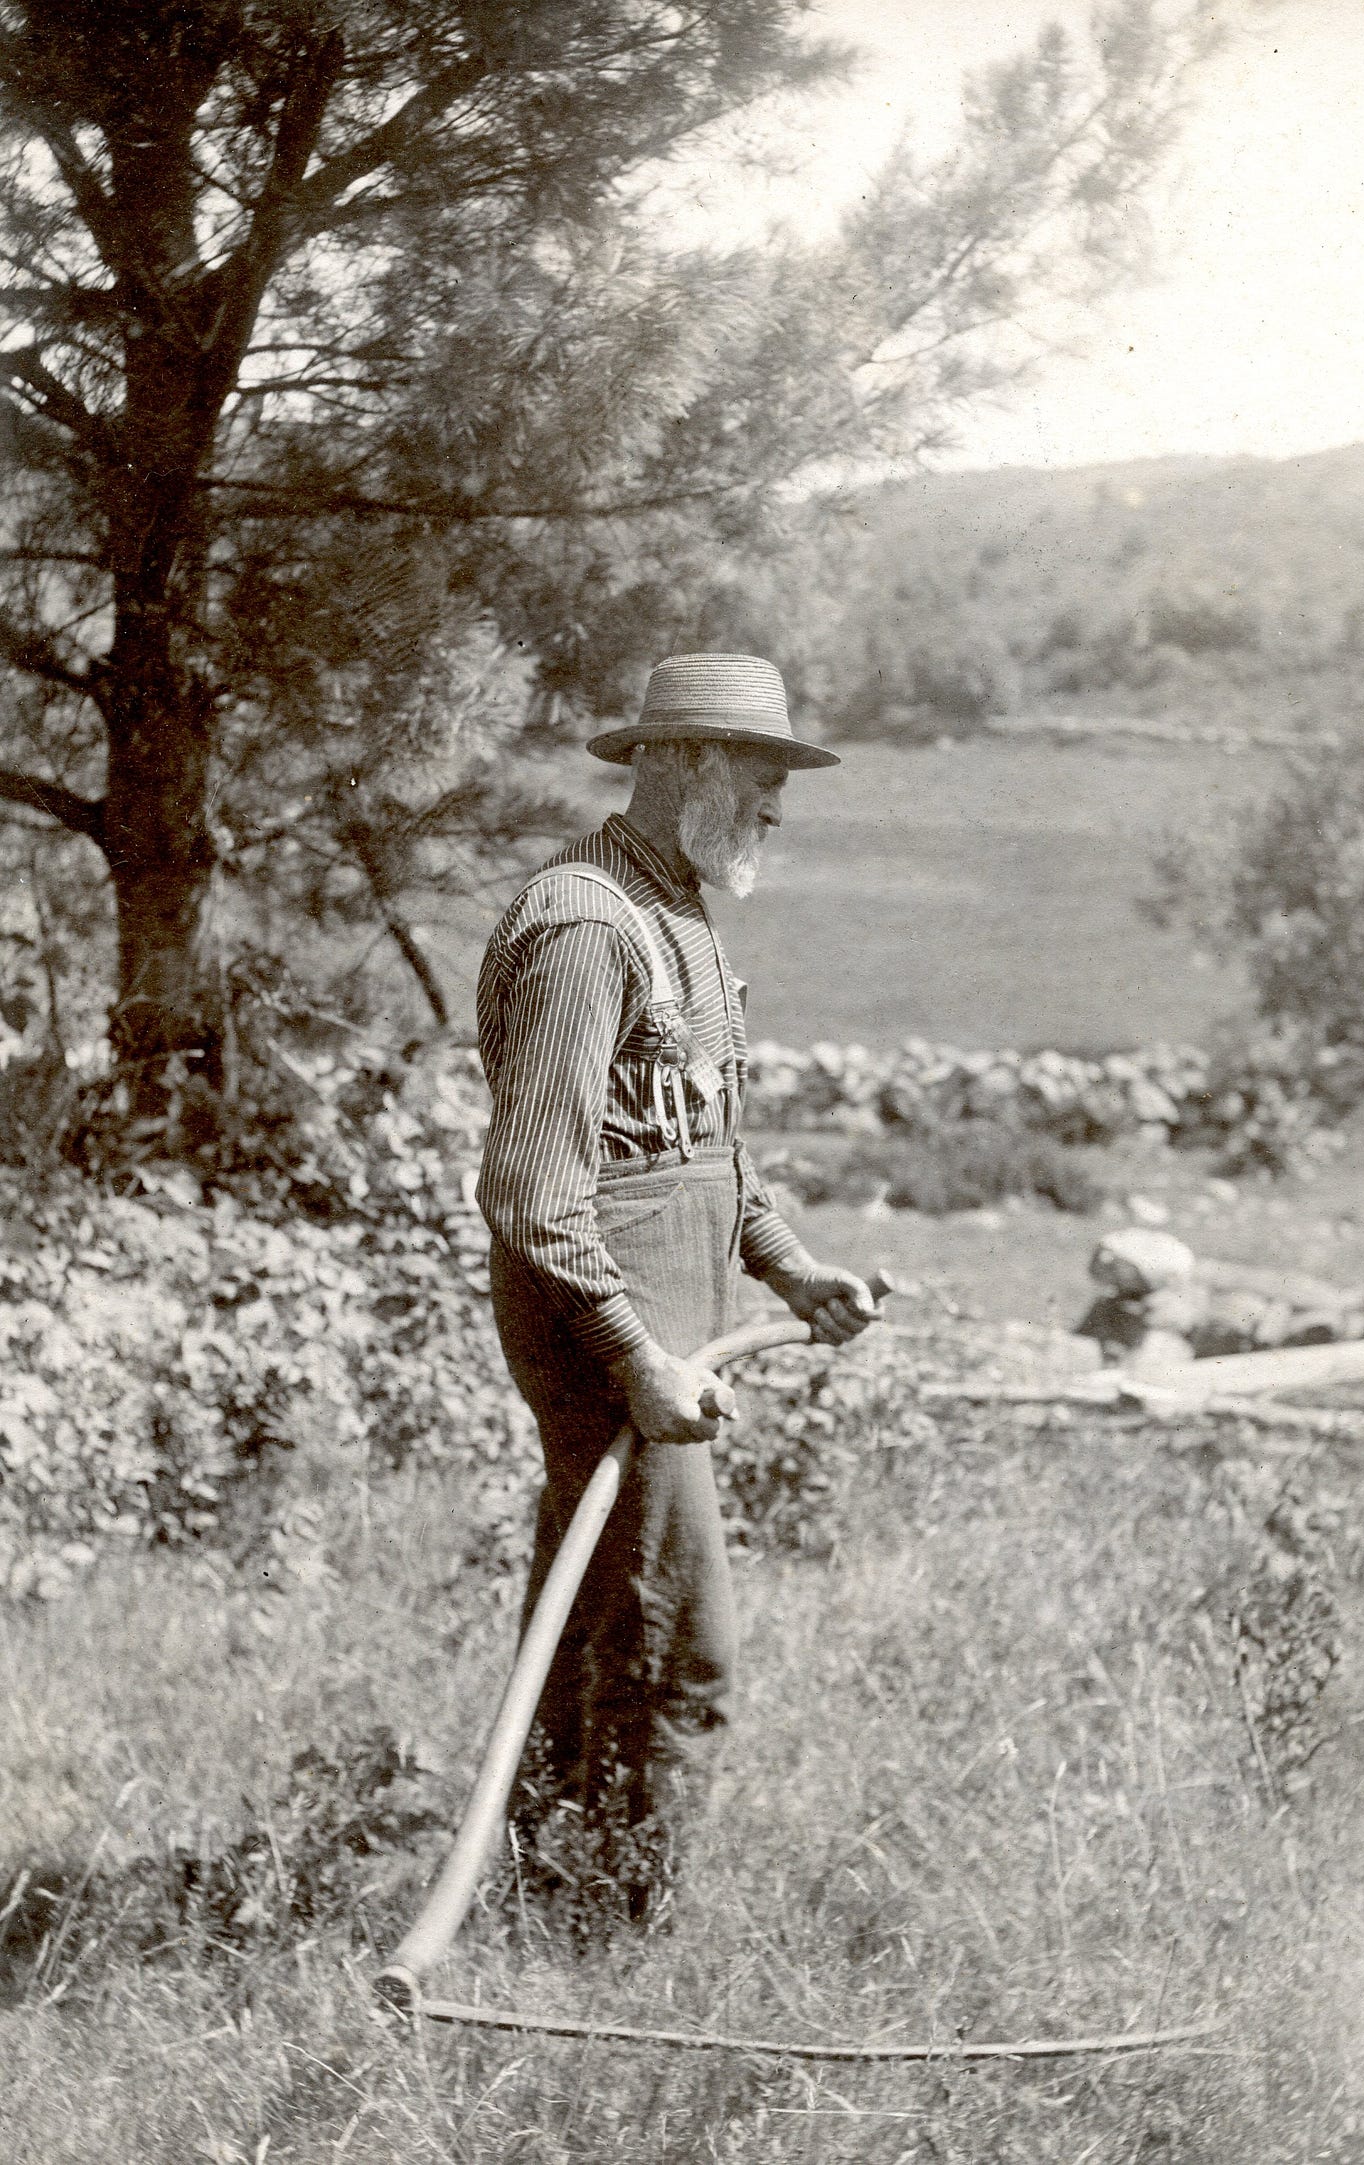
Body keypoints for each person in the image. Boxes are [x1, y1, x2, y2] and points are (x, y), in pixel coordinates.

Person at [475, 651, 878, 1927]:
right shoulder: (585, 926)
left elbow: (699, 1146)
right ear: (683, 763)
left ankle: (544, 1902)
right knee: (673, 1645)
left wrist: (791, 1267)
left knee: (594, 1616)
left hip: (670, 1316)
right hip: (609, 1323)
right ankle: (614, 1937)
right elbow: (536, 1190)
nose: (776, 809)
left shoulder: (679, 914)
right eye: (760, 778)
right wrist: (634, 1353)